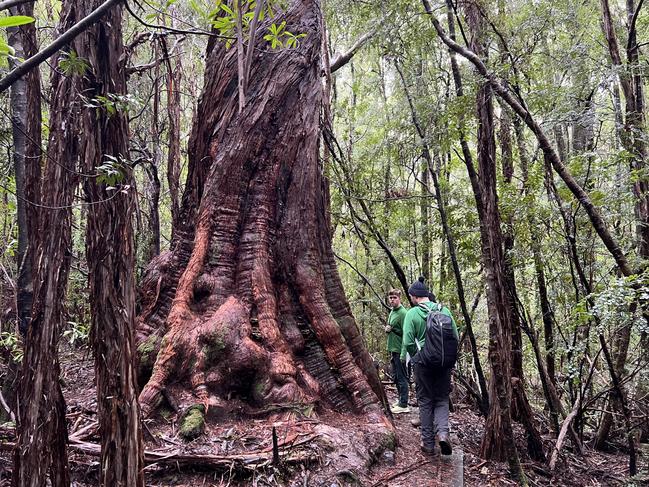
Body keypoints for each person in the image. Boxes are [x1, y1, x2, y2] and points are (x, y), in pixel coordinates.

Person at [401, 276, 459, 456]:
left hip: (423, 364)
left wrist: (418, 357)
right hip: (443, 363)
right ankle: (442, 433)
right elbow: (455, 337)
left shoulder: (412, 314)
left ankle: (428, 444)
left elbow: (408, 341)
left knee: (425, 400)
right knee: (441, 399)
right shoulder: (444, 310)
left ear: (413, 296)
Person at [385, 289, 409, 414]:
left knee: (402, 377)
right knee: (396, 377)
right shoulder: (392, 311)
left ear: (400, 298)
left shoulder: (403, 313)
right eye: (390, 298)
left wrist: (393, 330)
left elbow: (407, 333)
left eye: (394, 297)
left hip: (400, 350)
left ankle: (404, 404)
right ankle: (400, 400)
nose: (392, 300)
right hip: (393, 349)